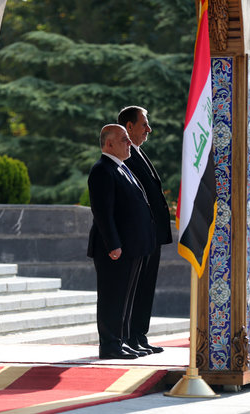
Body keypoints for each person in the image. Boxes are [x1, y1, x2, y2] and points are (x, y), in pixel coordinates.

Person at [87, 124, 156, 359]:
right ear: (109, 144)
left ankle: (122, 340)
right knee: (112, 296)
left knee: (126, 298)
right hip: (115, 248)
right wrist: (113, 244)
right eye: (124, 140)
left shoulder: (122, 168)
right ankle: (109, 344)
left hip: (132, 246)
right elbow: (102, 213)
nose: (129, 143)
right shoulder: (102, 170)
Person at [118, 106, 172, 354]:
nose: (148, 129)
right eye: (144, 124)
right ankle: (129, 335)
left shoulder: (139, 153)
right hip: (139, 234)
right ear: (129, 127)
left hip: (152, 233)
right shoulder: (126, 156)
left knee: (146, 287)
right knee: (136, 288)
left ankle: (139, 334)